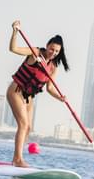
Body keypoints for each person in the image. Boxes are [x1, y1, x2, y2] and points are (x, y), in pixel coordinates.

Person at [7, 20, 69, 167]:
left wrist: (60, 98)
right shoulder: (35, 52)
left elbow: (50, 88)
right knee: (23, 124)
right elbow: (13, 48)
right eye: (51, 49)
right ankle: (18, 159)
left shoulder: (53, 67)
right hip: (16, 91)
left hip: (28, 98)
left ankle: (17, 159)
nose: (53, 53)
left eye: (56, 51)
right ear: (47, 46)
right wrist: (15, 32)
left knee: (28, 128)